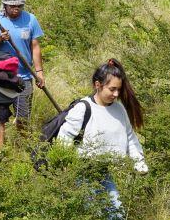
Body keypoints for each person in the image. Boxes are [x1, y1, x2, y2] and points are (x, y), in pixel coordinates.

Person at [57, 58, 147, 220]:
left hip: (103, 171)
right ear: (98, 85)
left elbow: (130, 137)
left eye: (118, 90)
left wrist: (138, 162)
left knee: (117, 214)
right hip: (82, 172)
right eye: (112, 89)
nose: (116, 94)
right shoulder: (82, 108)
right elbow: (64, 138)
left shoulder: (119, 109)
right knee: (94, 214)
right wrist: (65, 169)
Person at [0, 0, 45, 131]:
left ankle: (22, 147)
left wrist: (39, 72)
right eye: (12, 6)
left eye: (19, 6)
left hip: (24, 77)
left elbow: (35, 46)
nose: (16, 9)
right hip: (0, 77)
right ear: (5, 4)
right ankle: (1, 151)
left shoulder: (30, 19)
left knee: (23, 118)